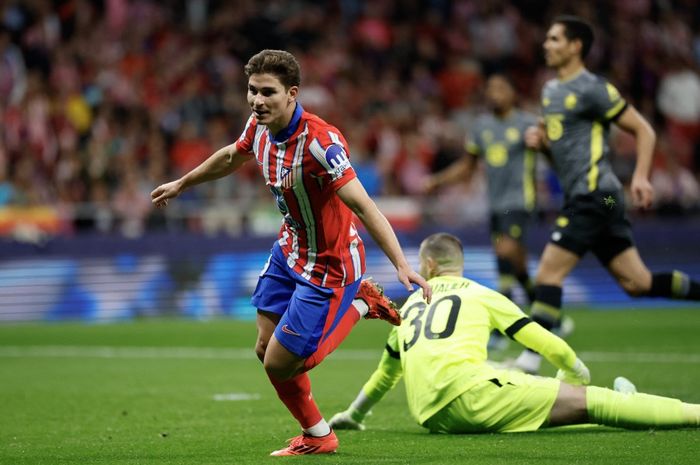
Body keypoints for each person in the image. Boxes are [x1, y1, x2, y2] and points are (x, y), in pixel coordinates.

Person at [151, 49, 432, 456]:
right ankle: (319, 435)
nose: (257, 101)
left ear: (292, 94)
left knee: (281, 364)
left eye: (267, 92)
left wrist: (401, 265)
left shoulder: (321, 144)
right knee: (266, 349)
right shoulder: (259, 126)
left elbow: (364, 206)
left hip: (330, 264)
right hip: (290, 249)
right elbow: (232, 155)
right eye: (252, 91)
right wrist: (182, 183)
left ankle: (361, 305)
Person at [329, 232, 700, 434]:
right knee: (597, 402)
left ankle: (626, 401)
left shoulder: (409, 305)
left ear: (428, 265)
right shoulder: (481, 294)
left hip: (432, 416)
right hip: (471, 397)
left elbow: (385, 373)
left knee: (561, 406)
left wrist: (354, 413)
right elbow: (539, 337)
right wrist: (574, 369)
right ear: (457, 263)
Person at [515, 15, 700, 373]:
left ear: (575, 45)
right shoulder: (551, 92)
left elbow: (644, 130)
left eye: (554, 39)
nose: (546, 45)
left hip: (598, 194)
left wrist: (642, 177)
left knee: (548, 275)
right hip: (602, 199)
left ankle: (529, 360)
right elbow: (565, 161)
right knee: (637, 283)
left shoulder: (593, 88)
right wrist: (544, 148)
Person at [424, 74, 541, 349]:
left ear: (513, 92)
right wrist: (437, 180)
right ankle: (544, 312)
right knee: (518, 263)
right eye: (491, 89)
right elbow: (467, 166)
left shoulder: (527, 123)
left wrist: (543, 142)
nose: (495, 94)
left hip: (520, 201)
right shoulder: (481, 128)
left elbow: (548, 151)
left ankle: (501, 330)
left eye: (501, 88)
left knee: (504, 255)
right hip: (496, 204)